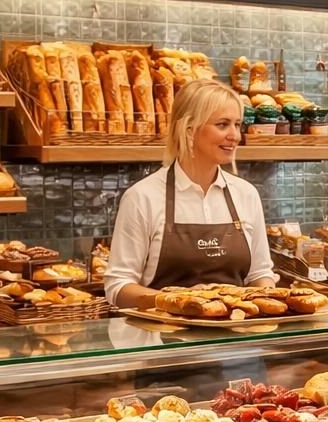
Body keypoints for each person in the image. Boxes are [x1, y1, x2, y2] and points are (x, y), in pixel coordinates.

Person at [104, 79, 277, 310]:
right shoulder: (142, 197)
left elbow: (260, 273)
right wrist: (178, 301)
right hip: (163, 341)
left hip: (235, 339)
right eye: (223, 124)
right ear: (188, 129)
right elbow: (118, 286)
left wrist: (268, 298)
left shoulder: (246, 195)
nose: (235, 135)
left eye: (238, 124)